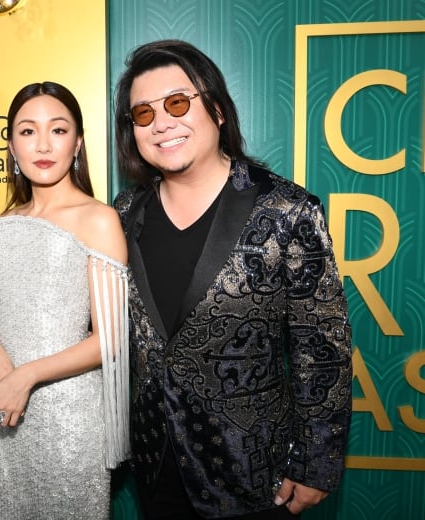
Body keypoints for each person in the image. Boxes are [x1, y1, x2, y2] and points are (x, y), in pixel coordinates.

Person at [112, 39, 352, 519]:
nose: (161, 123)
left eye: (178, 103)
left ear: (217, 110)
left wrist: (316, 463)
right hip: (154, 464)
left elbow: (321, 347)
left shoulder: (287, 211)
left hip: (252, 477)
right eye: (143, 114)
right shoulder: (122, 216)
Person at [0, 81, 130, 519]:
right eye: (27, 131)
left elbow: (110, 340)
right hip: (2, 412)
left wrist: (28, 376)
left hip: (70, 418)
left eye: (58, 131)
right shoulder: (0, 227)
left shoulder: (98, 220)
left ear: (77, 143)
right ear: (11, 146)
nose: (42, 144)